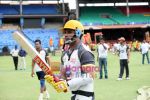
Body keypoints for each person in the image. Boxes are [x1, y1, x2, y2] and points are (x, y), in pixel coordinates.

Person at [60, 20, 95, 100]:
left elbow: (90, 76)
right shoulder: (65, 53)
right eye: (65, 32)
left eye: (69, 32)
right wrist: (58, 79)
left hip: (85, 97)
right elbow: (64, 74)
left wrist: (68, 84)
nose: (66, 35)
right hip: (73, 95)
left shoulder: (84, 52)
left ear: (78, 33)